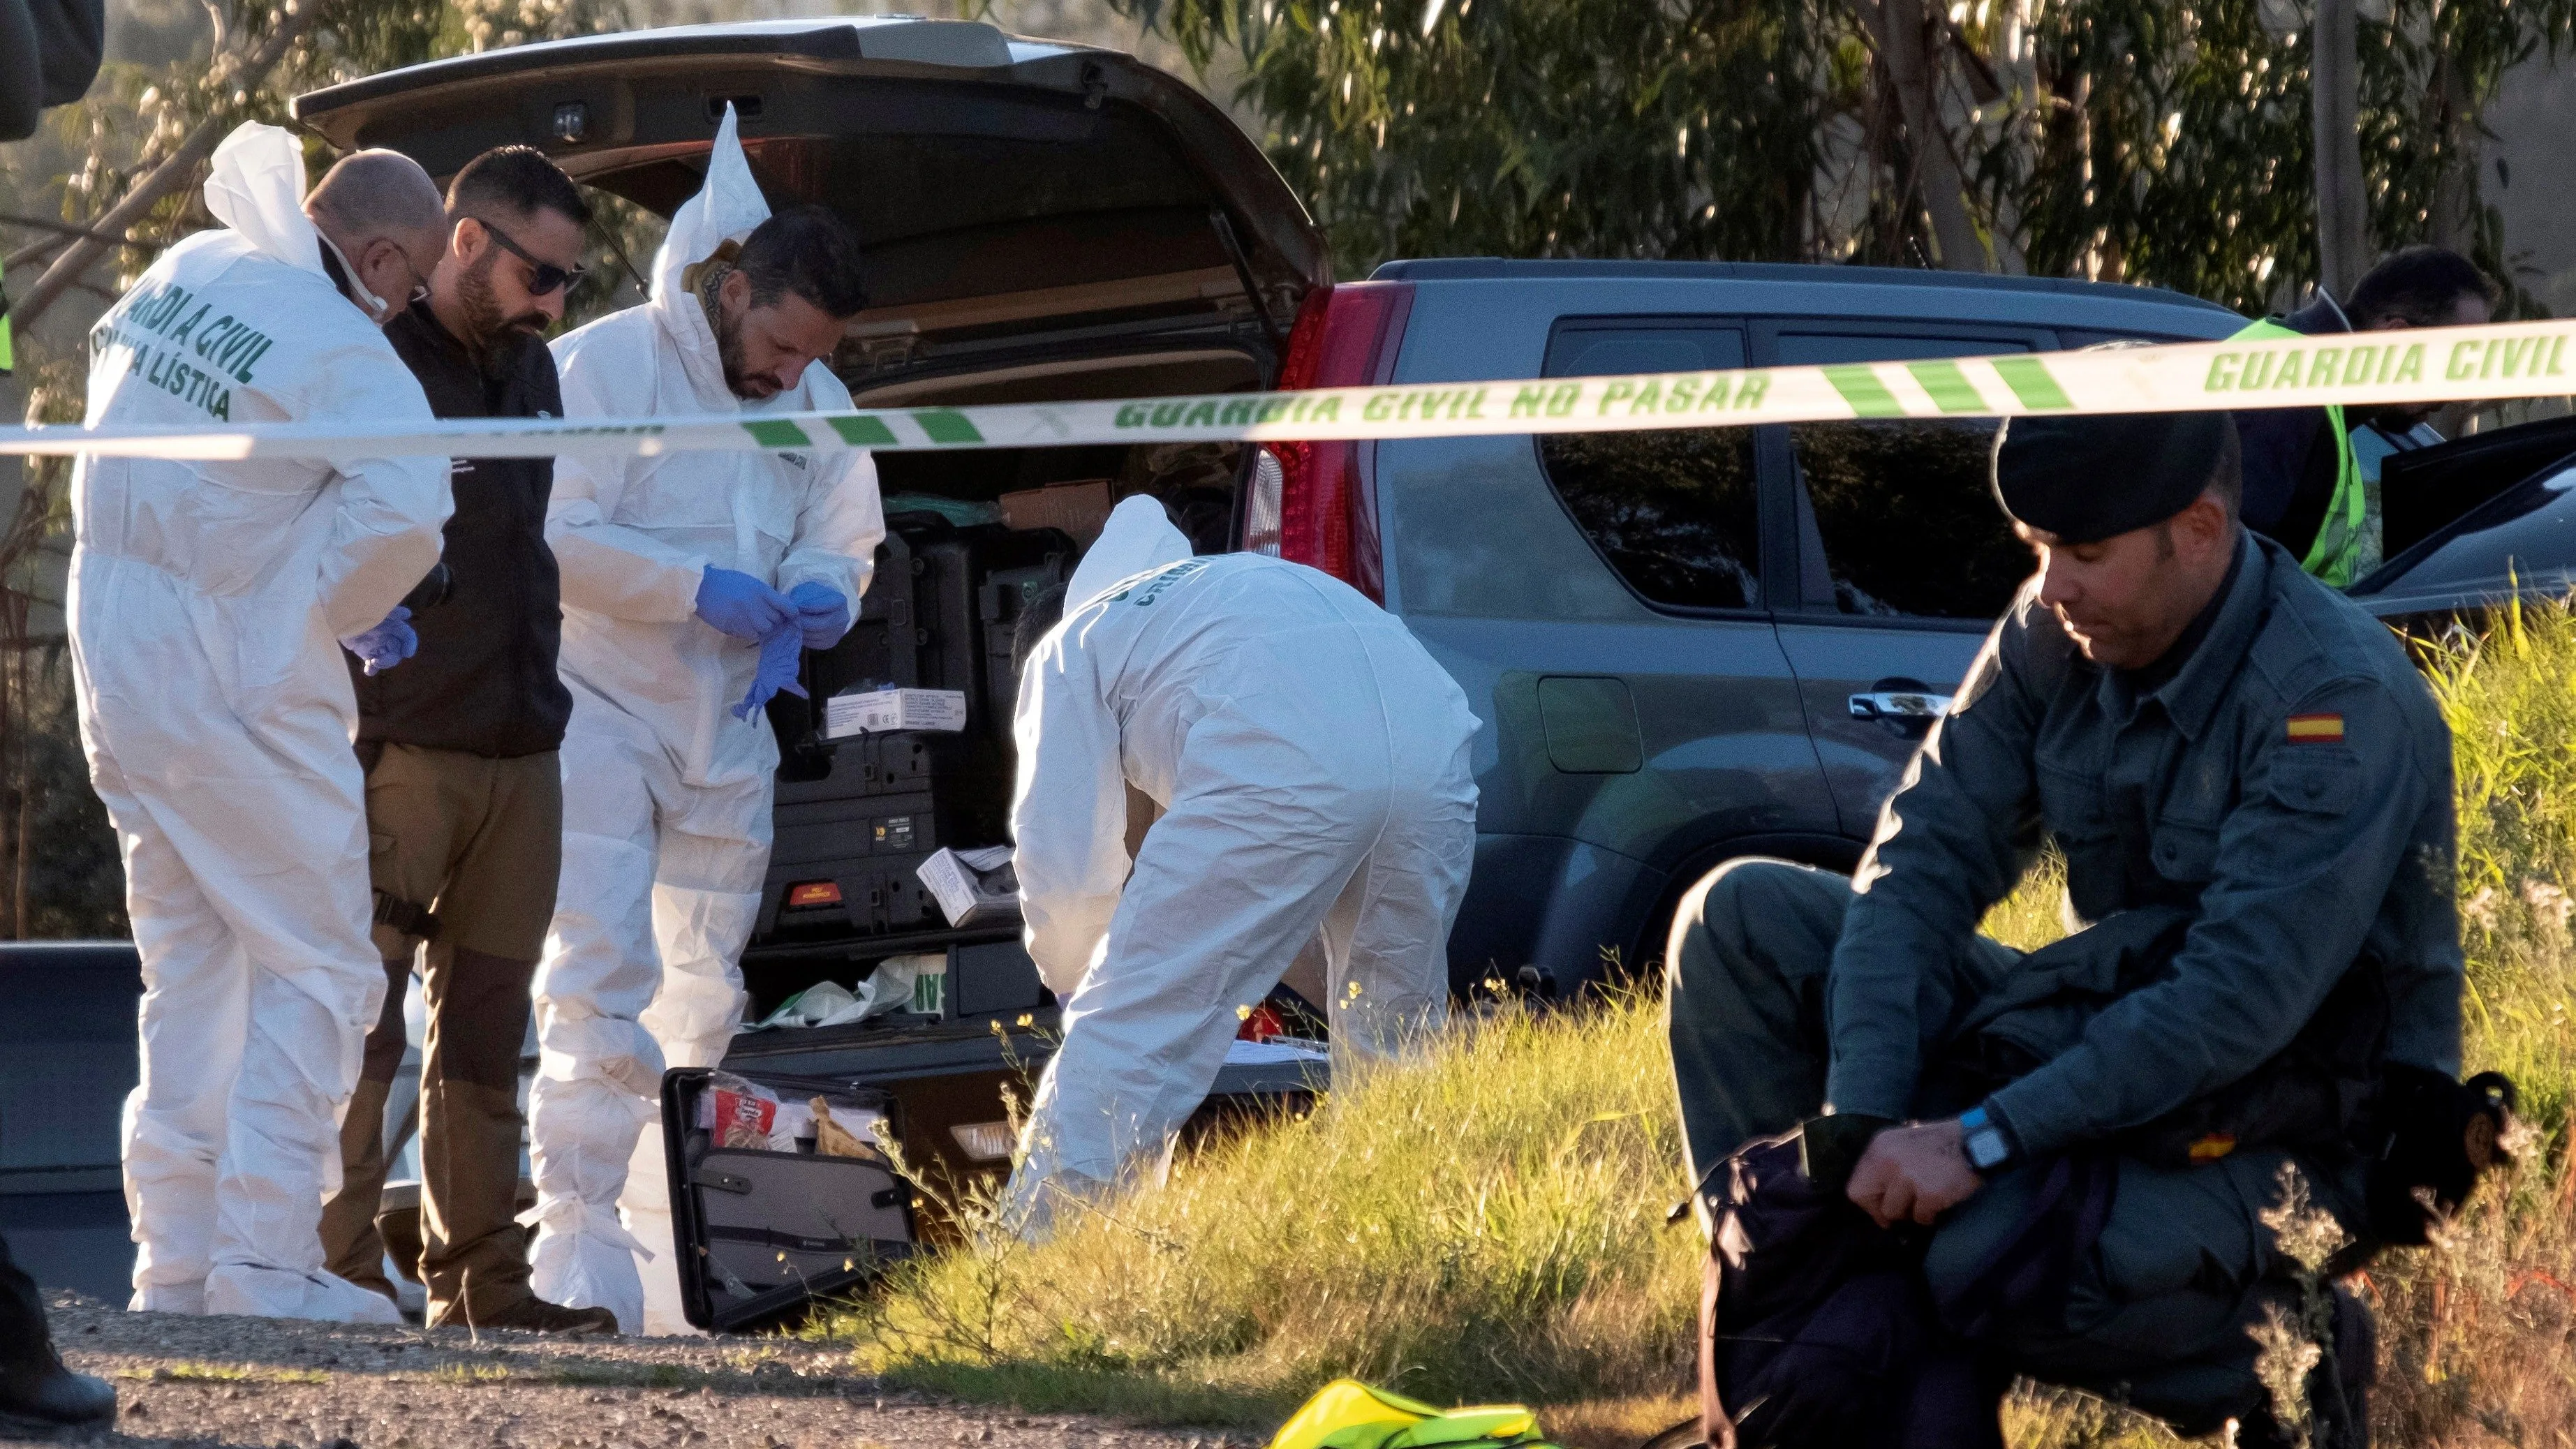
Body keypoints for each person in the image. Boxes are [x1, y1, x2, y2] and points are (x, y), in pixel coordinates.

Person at [1665, 409, 2470, 1441]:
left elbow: (2233, 1004)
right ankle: (1817, 1327)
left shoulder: (2331, 699)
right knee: (1739, 921)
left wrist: (1979, 1141)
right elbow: (1920, 865)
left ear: (2199, 528)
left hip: (2307, 1112)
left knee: (1989, 1254)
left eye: (2084, 554)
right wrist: (1858, 1131)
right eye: (2037, 551)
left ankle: (2292, 1351)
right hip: (2099, 1033)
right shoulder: (2061, 625)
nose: (2052, 585)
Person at [71, 122, 451, 1321]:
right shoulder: (349, 349)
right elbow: (404, 519)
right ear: (384, 259)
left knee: (190, 971)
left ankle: (176, 1266)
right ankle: (267, 1265)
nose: (406, 311)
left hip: (115, 661)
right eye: (414, 285)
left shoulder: (184, 270)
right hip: (233, 675)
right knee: (323, 964)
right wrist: (322, 607)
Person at [527, 107, 882, 1337]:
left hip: (729, 725)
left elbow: (844, 517)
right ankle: (572, 1263)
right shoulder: (607, 369)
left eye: (809, 360)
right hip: (603, 713)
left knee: (701, 998)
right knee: (597, 983)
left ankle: (665, 1263)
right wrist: (690, 587)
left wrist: (829, 588)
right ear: (732, 289)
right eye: (780, 346)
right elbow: (553, 533)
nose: (791, 377)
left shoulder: (815, 389)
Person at [316, 145, 619, 1336]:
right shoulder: (374, 357)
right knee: (362, 1023)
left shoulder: (537, 370)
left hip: (525, 743)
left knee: (489, 1037)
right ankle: (328, 1276)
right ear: (467, 244)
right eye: (543, 275)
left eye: (570, 286)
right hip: (401, 745)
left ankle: (484, 1285)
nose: (554, 303)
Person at [1001, 496, 1481, 1238]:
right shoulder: (1239, 590)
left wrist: (1079, 979)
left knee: (1127, 1034)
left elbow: (1062, 870)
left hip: (1284, 759)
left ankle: (1036, 1275)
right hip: (1434, 746)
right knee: (1394, 1034)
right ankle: (1416, 1242)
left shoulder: (1071, 647)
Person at [2233, 246, 2496, 585]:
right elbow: (2225, 586)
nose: (2459, 394)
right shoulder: (2285, 392)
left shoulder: (2317, 395)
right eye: (2454, 364)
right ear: (2398, 337)